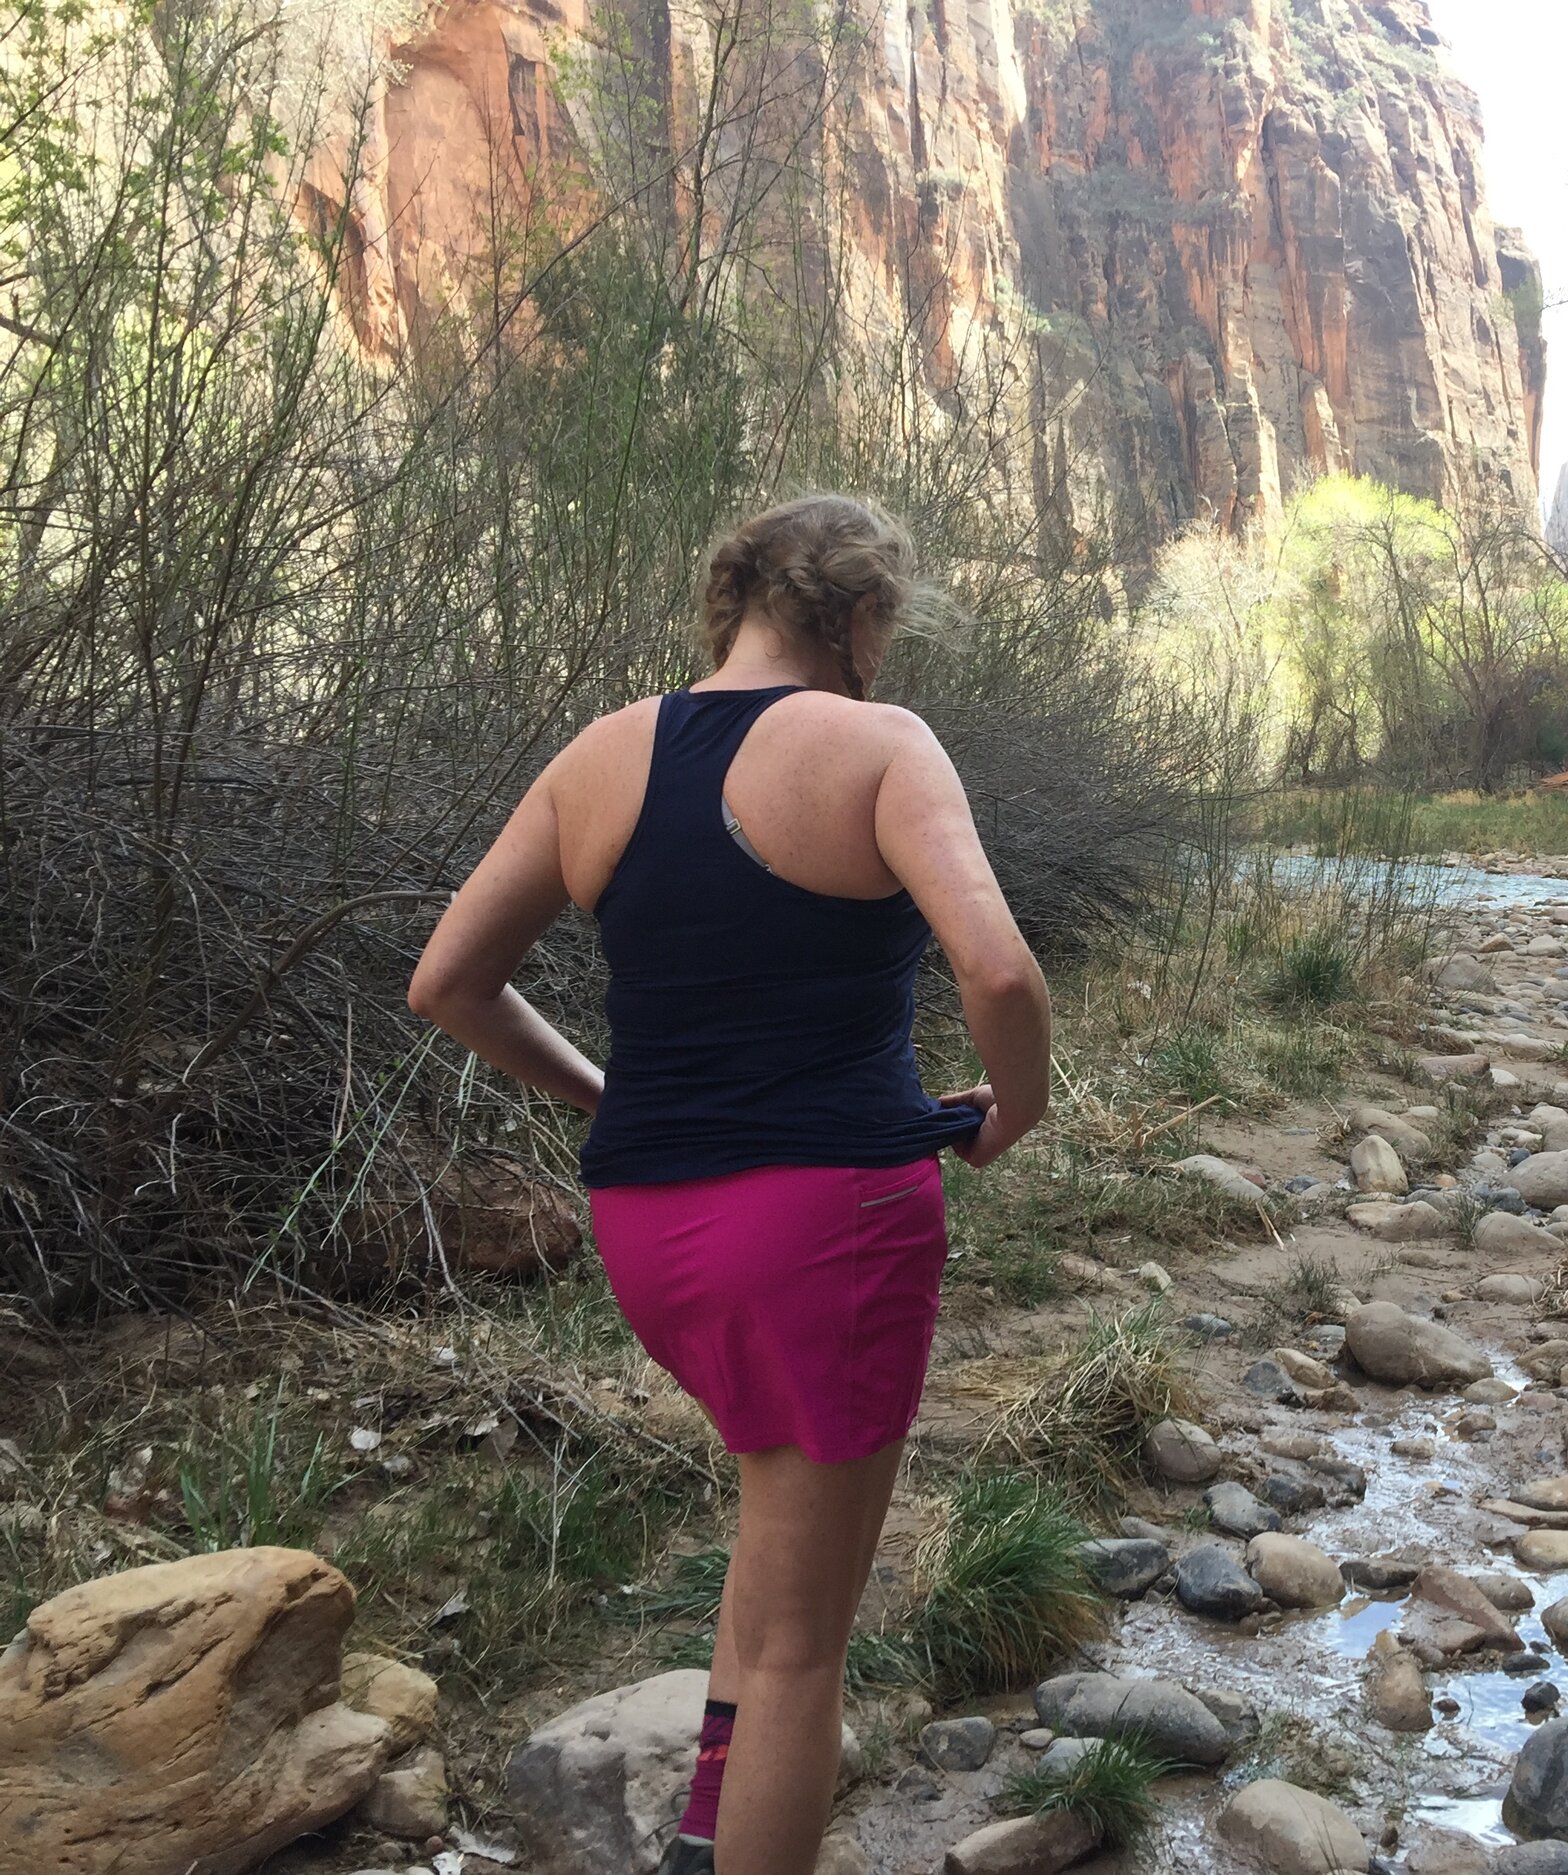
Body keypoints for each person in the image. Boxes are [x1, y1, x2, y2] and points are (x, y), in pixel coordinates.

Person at [408, 492, 1050, 1875]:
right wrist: (1022, 1108)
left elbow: (447, 981)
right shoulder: (882, 744)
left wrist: (608, 1094)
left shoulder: (600, 755)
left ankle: (704, 1835)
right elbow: (999, 973)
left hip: (651, 1228)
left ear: (735, 599)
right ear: (862, 612)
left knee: (771, 1535)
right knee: (810, 1646)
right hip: (829, 1226)